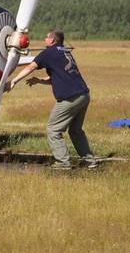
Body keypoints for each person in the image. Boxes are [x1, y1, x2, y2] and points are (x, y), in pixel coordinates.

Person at [5, 29, 97, 170]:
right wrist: (40, 80)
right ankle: (90, 161)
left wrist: (14, 81)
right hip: (84, 95)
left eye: (47, 37)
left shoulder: (48, 53)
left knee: (53, 130)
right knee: (75, 130)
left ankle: (63, 163)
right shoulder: (65, 51)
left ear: (52, 40)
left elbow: (31, 67)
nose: (44, 39)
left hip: (70, 98)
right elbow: (60, 76)